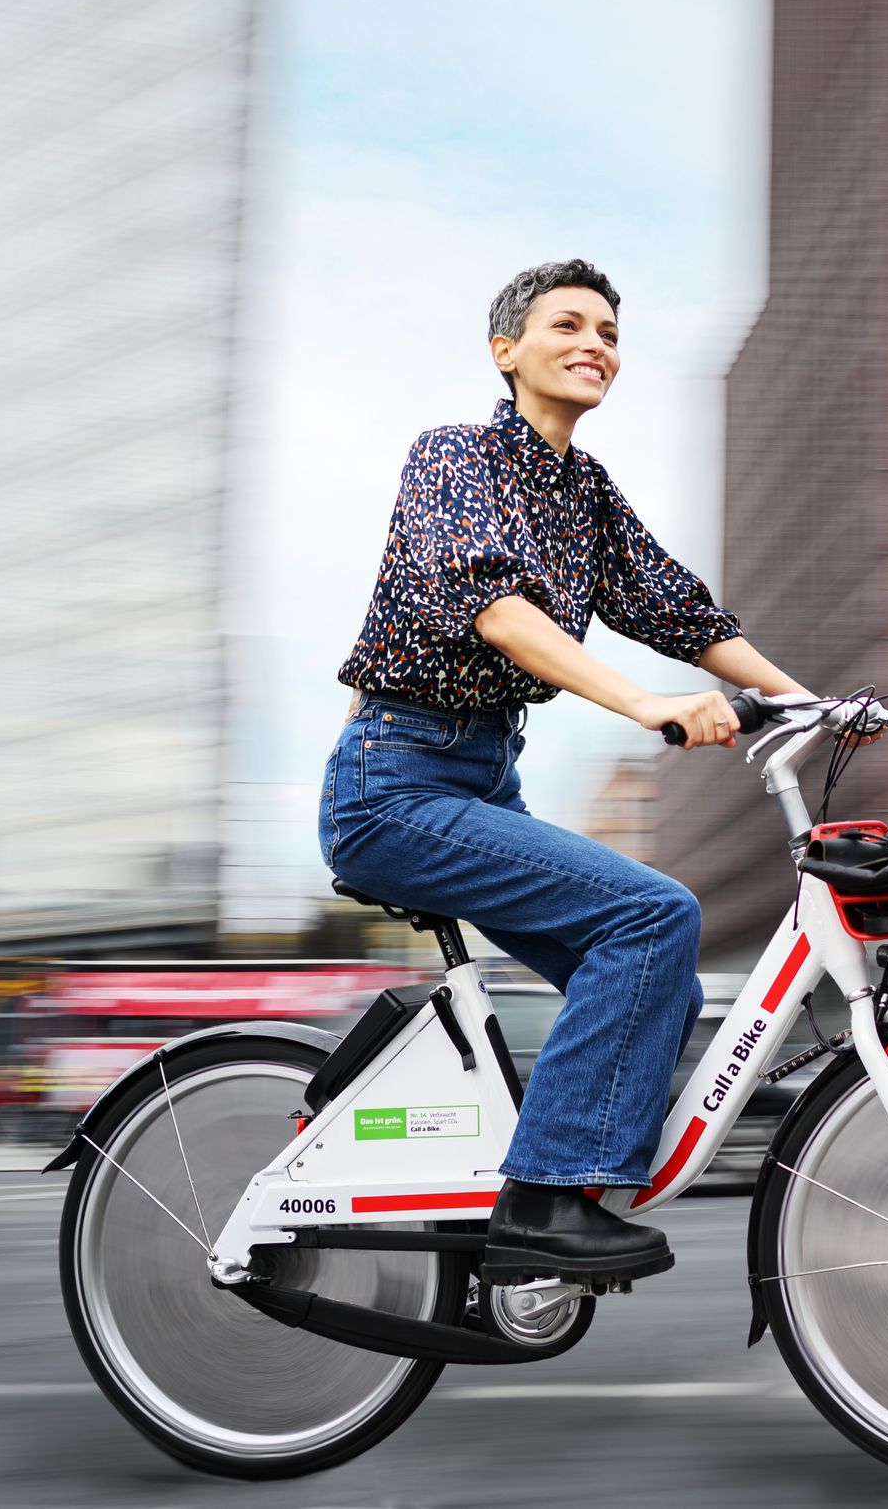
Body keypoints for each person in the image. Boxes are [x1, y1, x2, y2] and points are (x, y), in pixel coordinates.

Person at [320, 258, 813, 1286]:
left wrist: (816, 705)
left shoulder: (582, 493)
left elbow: (683, 613)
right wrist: (646, 705)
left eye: (610, 334)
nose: (597, 345)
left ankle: (549, 1176)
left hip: (481, 779)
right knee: (653, 916)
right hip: (395, 782)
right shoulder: (452, 457)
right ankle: (544, 1202)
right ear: (506, 351)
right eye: (569, 326)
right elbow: (498, 610)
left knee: (659, 985)